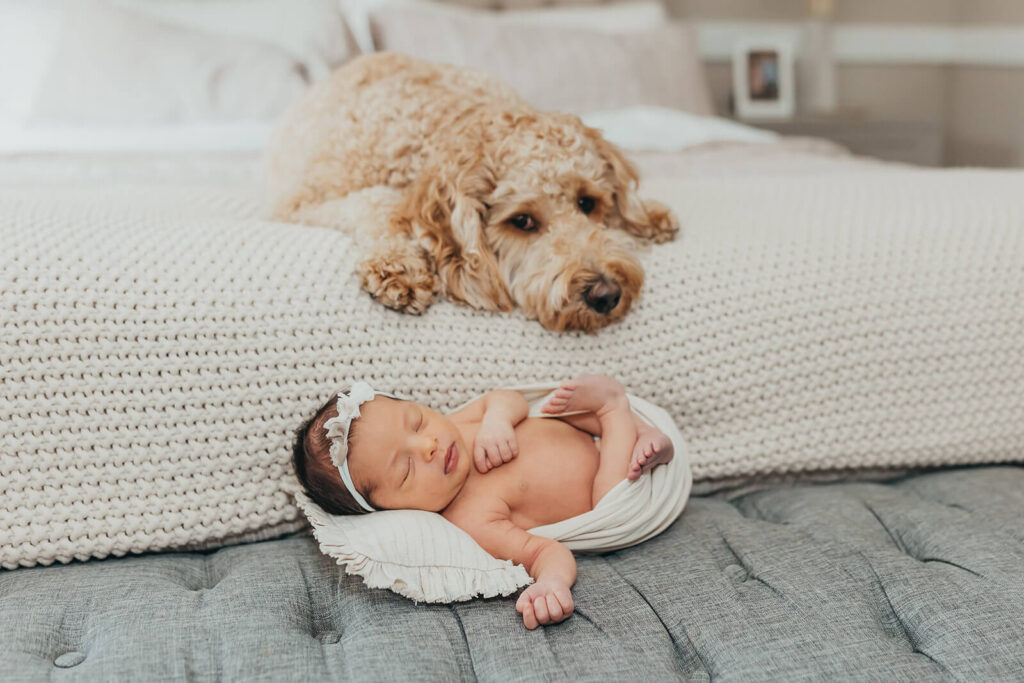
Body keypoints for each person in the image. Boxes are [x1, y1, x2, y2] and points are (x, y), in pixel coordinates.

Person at [293, 374, 675, 630]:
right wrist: (552, 583)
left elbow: (508, 399)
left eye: (417, 421)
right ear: (394, 511)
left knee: (564, 410)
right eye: (406, 470)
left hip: (584, 434)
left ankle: (635, 431)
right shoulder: (471, 518)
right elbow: (544, 552)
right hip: (607, 486)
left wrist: (497, 419)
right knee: (611, 496)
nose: (428, 446)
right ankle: (616, 415)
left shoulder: (457, 426)